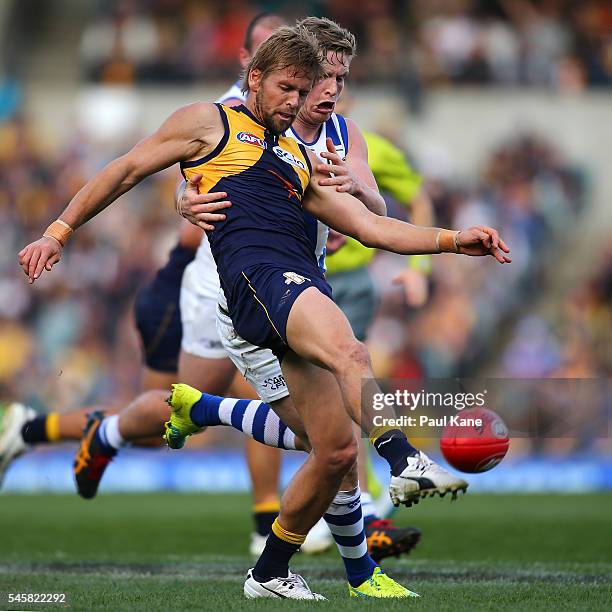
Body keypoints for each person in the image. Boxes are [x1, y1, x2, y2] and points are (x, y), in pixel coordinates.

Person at [19, 24, 510, 600]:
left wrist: (456, 240)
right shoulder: (213, 121)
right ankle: (405, 461)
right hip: (256, 284)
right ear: (254, 77)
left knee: (335, 450)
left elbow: (374, 226)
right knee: (352, 351)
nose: (299, 103)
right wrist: (59, 230)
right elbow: (128, 169)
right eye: (289, 89)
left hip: (296, 288)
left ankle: (269, 570)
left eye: (307, 92)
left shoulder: (298, 156)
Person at [0, 13, 289, 553]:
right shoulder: (223, 116)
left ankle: (39, 429)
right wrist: (62, 230)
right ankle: (274, 525)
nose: (288, 76)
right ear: (247, 64)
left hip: (246, 286)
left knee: (189, 416)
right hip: (194, 287)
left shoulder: (307, 119)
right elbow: (148, 173)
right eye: (269, 55)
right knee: (187, 415)